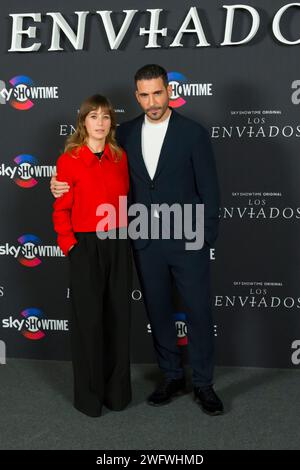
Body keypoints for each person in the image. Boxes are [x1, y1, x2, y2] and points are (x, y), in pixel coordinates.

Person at [51, 65, 223, 416]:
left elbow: (211, 191)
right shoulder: (124, 135)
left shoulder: (193, 133)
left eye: (157, 93)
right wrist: (58, 185)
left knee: (198, 312)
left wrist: (204, 239)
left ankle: (204, 384)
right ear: (137, 96)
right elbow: (93, 174)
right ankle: (172, 376)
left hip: (188, 237)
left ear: (169, 90)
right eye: (144, 95)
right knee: (157, 311)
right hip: (144, 239)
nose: (152, 101)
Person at [52, 94, 132, 417]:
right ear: (83, 122)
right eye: (93, 117)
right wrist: (69, 244)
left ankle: (117, 394)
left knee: (118, 318)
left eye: (106, 117)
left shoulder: (119, 156)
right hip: (84, 244)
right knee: (88, 321)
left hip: (118, 240)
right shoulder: (68, 160)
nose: (100, 123)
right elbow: (61, 209)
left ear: (111, 123)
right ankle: (89, 397)